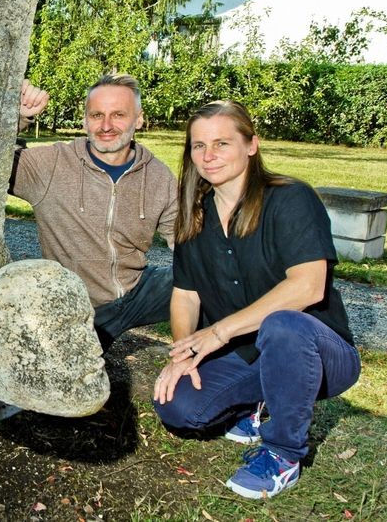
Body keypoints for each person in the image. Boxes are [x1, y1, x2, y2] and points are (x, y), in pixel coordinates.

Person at [152, 100, 360, 499]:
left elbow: (308, 286)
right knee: (178, 407)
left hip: (317, 351)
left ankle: (283, 453)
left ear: (251, 145)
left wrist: (217, 333)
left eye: (221, 143)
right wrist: (182, 354)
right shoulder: (194, 215)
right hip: (247, 353)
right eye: (198, 146)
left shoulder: (291, 198)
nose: (208, 156)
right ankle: (259, 403)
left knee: (282, 324)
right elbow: (186, 294)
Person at [11, 74, 177, 350]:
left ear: (138, 119)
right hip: (80, 306)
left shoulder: (158, 174)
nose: (107, 125)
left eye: (119, 115)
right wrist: (18, 119)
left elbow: (187, 238)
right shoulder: (50, 165)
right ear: (86, 120)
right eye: (97, 115)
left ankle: (225, 372)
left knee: (217, 279)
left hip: (137, 290)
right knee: (64, 376)